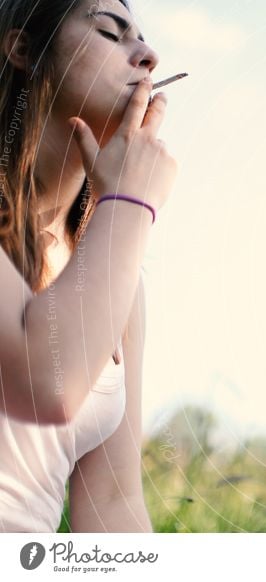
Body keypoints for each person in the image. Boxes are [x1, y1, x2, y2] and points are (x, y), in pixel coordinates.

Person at [0, 0, 175, 532]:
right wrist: (127, 206)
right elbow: (47, 384)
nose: (147, 55)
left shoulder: (116, 269)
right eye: (109, 32)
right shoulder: (123, 225)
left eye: (142, 39)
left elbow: (114, 505)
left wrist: (120, 218)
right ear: (24, 49)